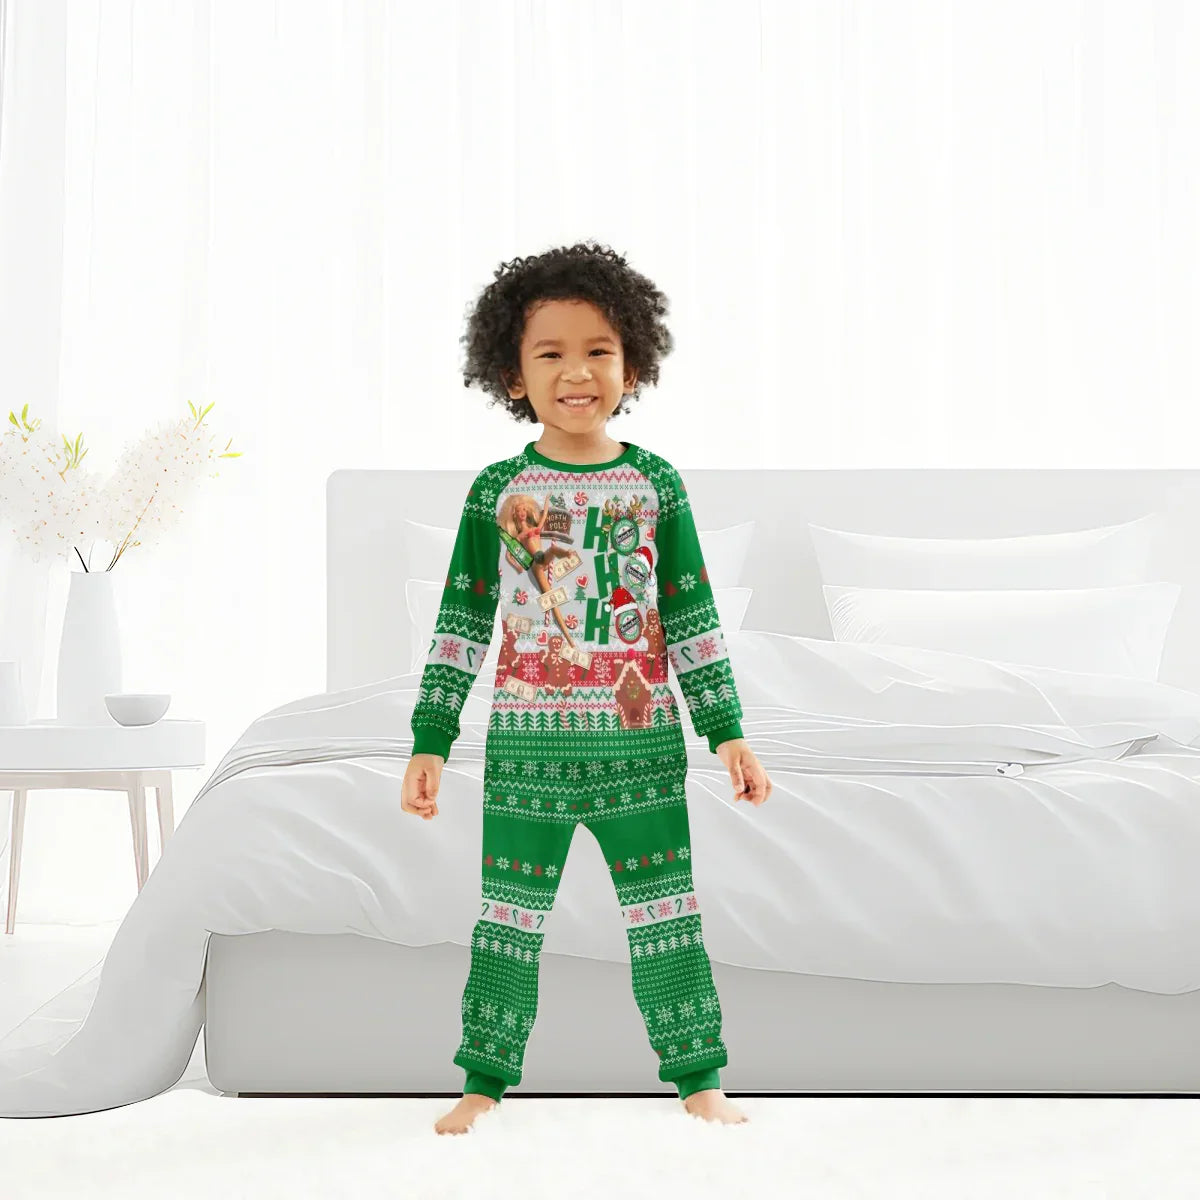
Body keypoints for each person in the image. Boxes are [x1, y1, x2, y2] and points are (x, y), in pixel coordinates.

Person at [401, 241, 772, 1136]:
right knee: (507, 922)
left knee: (668, 919)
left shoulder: (656, 485)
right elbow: (462, 622)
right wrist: (431, 737)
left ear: (634, 363)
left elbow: (690, 615)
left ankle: (700, 1080)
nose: (578, 372)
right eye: (551, 354)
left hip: (641, 752)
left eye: (599, 350)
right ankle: (484, 1081)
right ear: (512, 375)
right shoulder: (498, 490)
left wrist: (726, 730)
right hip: (526, 752)